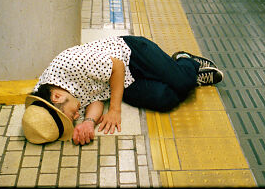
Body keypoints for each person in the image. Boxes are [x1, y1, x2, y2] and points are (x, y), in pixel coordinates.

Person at [21, 35, 224, 145]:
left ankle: (184, 61)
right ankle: (182, 74)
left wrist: (115, 110)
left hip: (130, 54)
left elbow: (117, 66)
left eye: (70, 116)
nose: (75, 117)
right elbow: (96, 100)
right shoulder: (51, 101)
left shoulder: (71, 63)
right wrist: (89, 123)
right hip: (118, 83)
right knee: (166, 99)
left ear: (57, 96)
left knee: (181, 82)